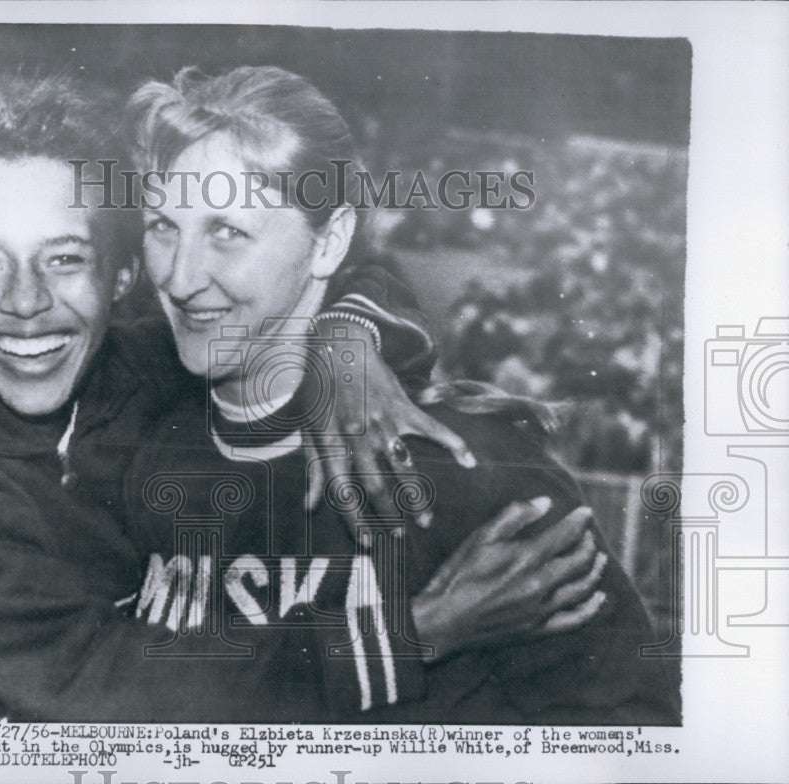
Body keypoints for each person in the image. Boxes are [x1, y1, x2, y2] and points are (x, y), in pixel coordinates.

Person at [0, 71, 604, 722]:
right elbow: (105, 683)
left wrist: (347, 341)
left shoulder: (137, 368)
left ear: (116, 281)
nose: (25, 304)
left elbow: (316, 277)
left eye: (63, 259)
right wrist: (411, 636)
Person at [119, 65, 680, 723]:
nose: (180, 278)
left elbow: (631, 736)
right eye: (163, 227)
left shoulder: (467, 467)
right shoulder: (134, 449)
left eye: (227, 232)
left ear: (328, 242)